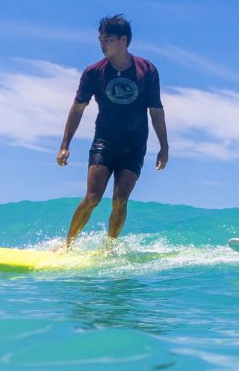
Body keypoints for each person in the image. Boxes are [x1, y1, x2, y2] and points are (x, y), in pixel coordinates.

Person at [57, 14, 168, 247]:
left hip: (135, 144)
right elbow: (77, 108)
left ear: (123, 40)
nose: (102, 44)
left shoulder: (146, 70)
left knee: (120, 200)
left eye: (107, 39)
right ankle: (67, 246)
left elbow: (156, 110)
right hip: (104, 141)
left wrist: (164, 147)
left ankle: (109, 248)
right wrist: (65, 145)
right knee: (93, 197)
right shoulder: (93, 73)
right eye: (100, 39)